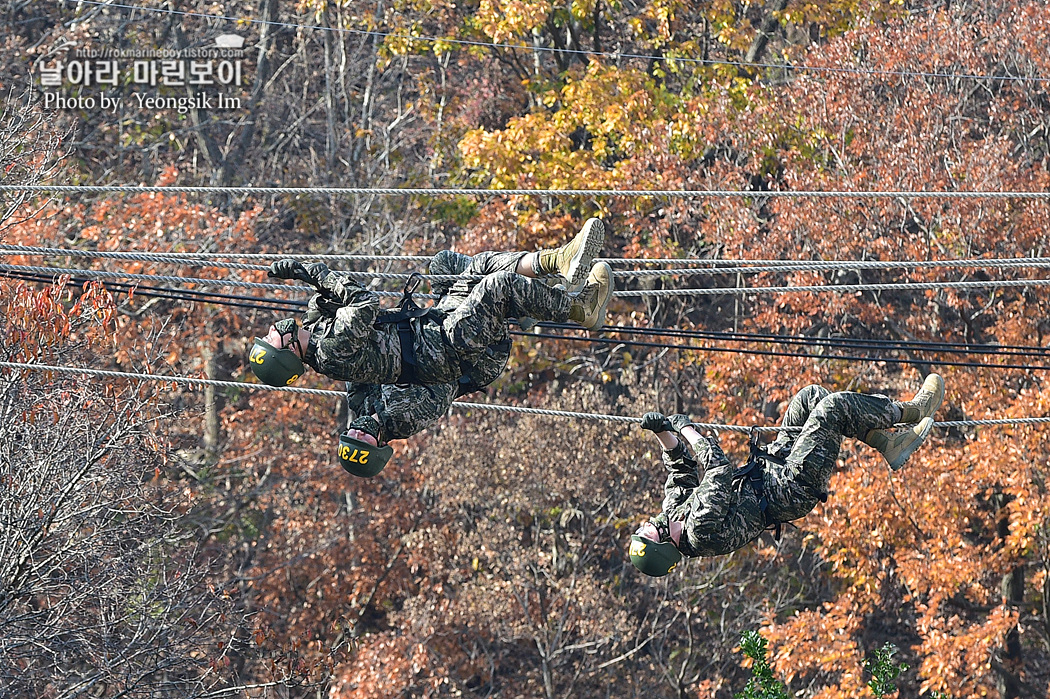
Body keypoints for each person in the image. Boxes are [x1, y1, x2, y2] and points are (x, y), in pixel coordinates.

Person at [248, 219, 612, 458]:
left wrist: (311, 287)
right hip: (454, 350)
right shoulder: (337, 357)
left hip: (433, 327)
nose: (357, 430)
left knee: (452, 264)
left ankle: (558, 262)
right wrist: (310, 270)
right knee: (497, 287)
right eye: (363, 441)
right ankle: (581, 309)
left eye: (351, 435)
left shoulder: (336, 367)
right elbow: (363, 302)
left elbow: (324, 310)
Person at [628, 375, 946, 576]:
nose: (646, 525)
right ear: (663, 546)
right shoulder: (699, 531)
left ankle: (887, 443)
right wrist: (686, 429)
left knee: (811, 397)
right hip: (790, 489)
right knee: (831, 409)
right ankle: (912, 411)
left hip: (773, 465)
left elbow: (680, 468)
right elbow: (718, 471)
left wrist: (662, 432)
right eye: (648, 535)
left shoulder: (674, 513)